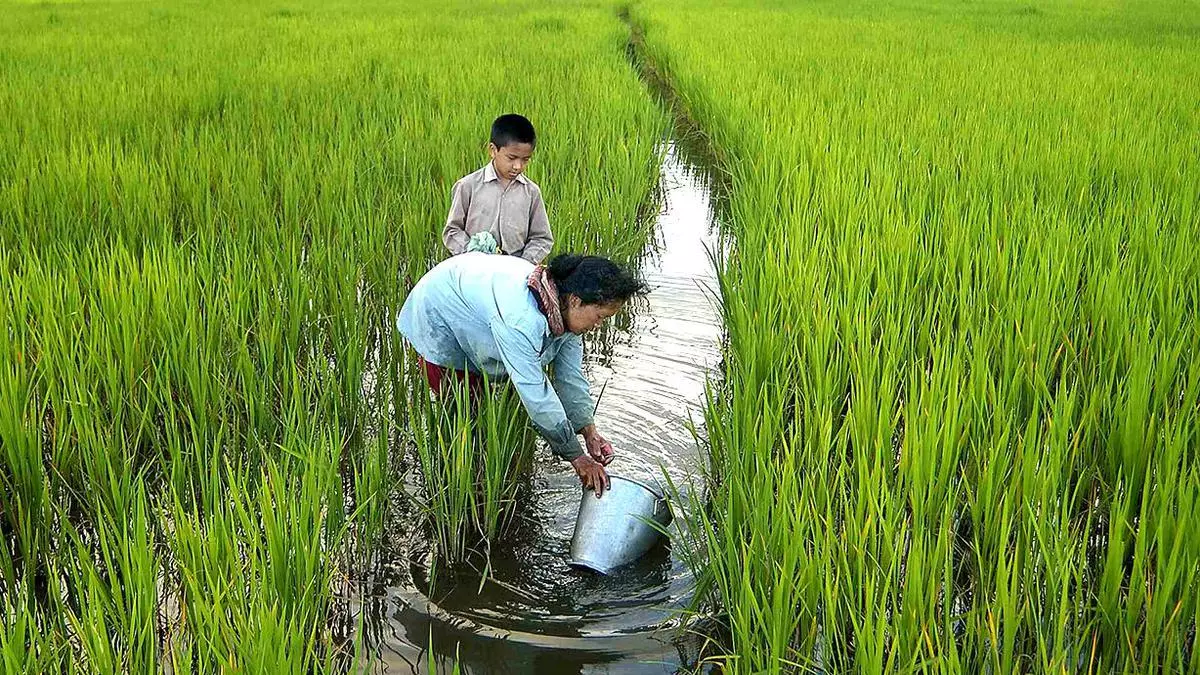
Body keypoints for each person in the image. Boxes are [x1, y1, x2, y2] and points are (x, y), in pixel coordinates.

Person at [396, 252, 645, 496]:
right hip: (439, 308)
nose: (598, 325)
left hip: (475, 297)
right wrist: (577, 457)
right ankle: (453, 485)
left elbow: (571, 378)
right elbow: (535, 393)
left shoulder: (564, 311)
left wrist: (589, 431)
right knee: (460, 409)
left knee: (480, 411)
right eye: (600, 317)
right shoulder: (521, 318)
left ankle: (478, 471)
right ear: (577, 300)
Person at [441, 114, 554, 263]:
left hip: (515, 270)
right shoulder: (468, 186)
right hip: (475, 267)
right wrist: (471, 251)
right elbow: (452, 231)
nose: (518, 166)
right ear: (493, 150)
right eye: (511, 158)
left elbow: (542, 238)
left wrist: (523, 263)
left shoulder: (531, 192)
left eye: (525, 160)